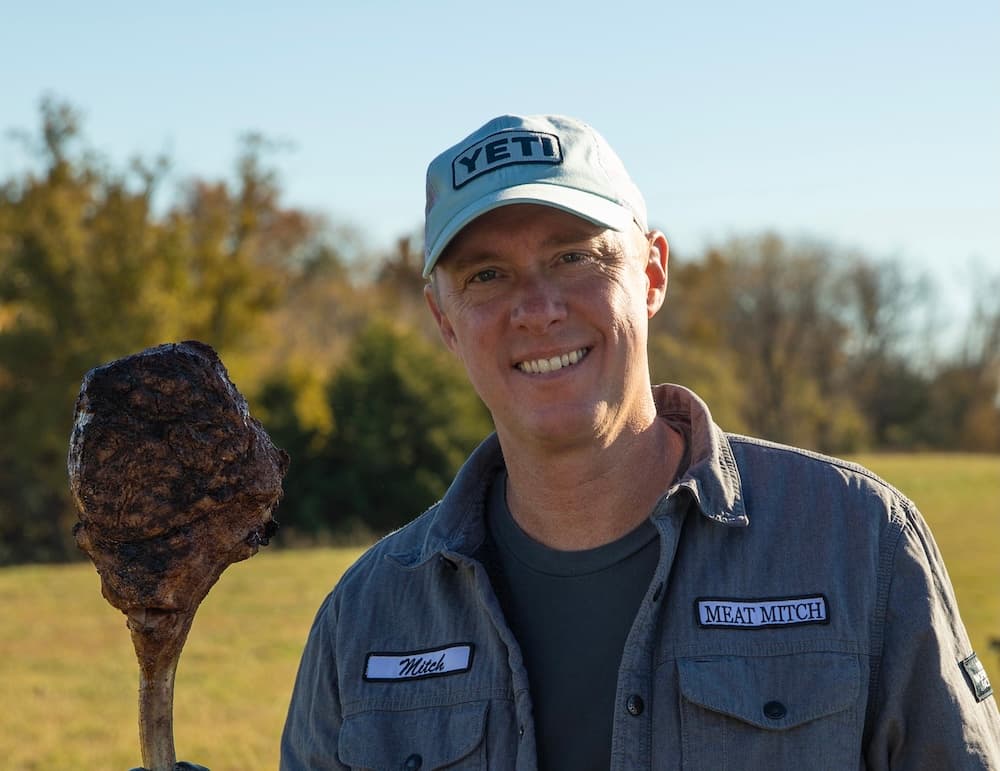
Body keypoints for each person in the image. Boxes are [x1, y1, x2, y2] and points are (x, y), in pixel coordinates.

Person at [280, 114, 1000, 769]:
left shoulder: (858, 543)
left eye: (574, 257)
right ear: (445, 320)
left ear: (651, 272)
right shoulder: (366, 617)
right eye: (488, 275)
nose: (538, 309)